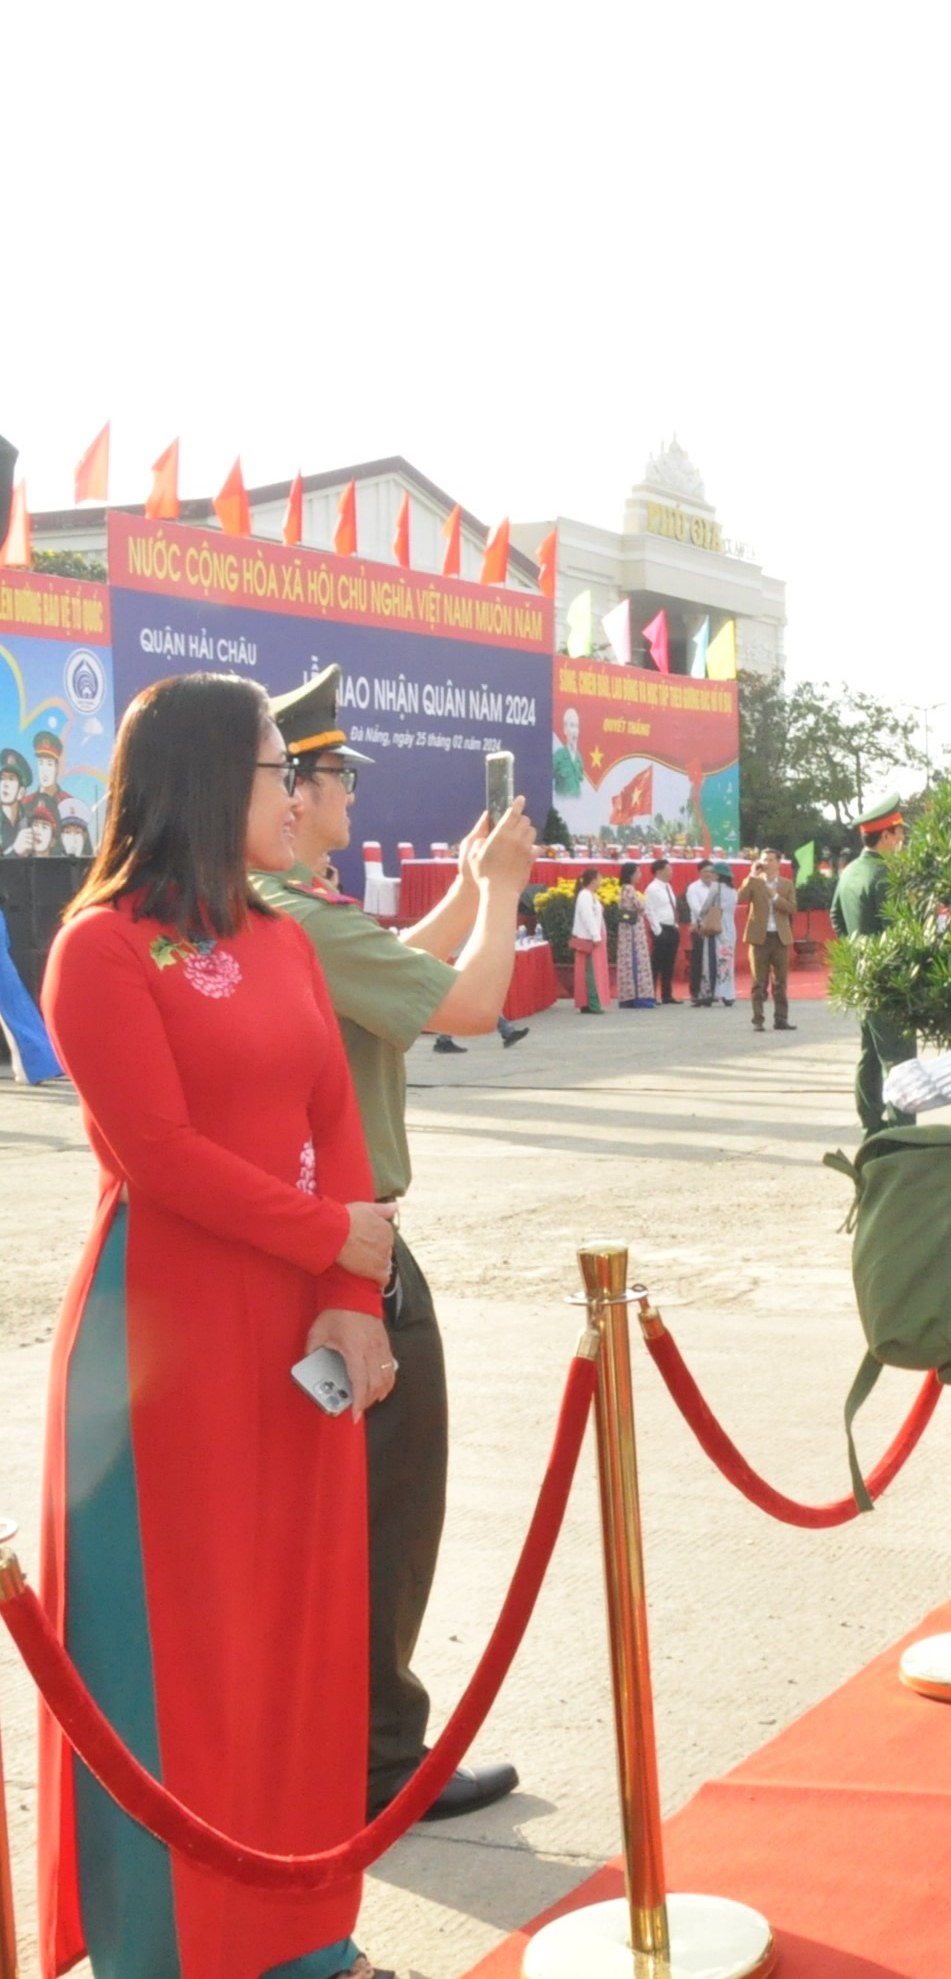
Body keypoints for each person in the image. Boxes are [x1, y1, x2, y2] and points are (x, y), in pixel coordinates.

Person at [37, 672, 399, 1979]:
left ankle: (305, 1933)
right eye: (274, 768)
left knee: (295, 1649)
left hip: (295, 1343)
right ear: (207, 780)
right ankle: (164, 1949)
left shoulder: (289, 938)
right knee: (176, 1665)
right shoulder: (102, 948)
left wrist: (352, 1299)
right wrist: (333, 1241)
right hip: (162, 1351)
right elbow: (162, 1155)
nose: (295, 792)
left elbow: (333, 1123)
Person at [248, 663, 530, 1826]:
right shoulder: (300, 917)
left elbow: (401, 964)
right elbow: (467, 1005)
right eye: (331, 780)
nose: (349, 801)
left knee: (336, 1508)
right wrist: (508, 896)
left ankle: (333, 1745)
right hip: (354, 1252)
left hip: (302, 1241)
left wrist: (468, 889)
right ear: (290, 794)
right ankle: (376, 1758)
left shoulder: (274, 917)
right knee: (388, 1508)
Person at [832, 796, 910, 1130]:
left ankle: (871, 1123)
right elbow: (901, 932)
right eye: (900, 833)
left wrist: (856, 950)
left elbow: (836, 916)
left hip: (862, 976)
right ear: (887, 837)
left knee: (870, 1052)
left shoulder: (850, 872)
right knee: (900, 1060)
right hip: (889, 980)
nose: (903, 839)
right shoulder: (884, 876)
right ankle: (903, 1130)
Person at [742, 850, 794, 1030]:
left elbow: (792, 908)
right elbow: (741, 897)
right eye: (764, 860)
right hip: (759, 938)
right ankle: (758, 1020)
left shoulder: (787, 885)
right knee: (758, 981)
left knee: (780, 982)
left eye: (771, 860)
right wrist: (752, 875)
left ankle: (781, 1019)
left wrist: (775, 897)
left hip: (780, 938)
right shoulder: (754, 882)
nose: (767, 863)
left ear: (779, 863)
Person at [612, 862, 651, 1007]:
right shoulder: (629, 889)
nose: (640, 875)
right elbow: (640, 906)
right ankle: (639, 995)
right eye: (638, 873)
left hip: (627, 928)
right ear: (631, 875)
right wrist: (643, 906)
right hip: (633, 929)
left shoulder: (623, 889)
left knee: (627, 959)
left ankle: (628, 996)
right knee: (636, 959)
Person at [641, 860, 680, 1005]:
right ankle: (650, 994)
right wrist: (657, 931)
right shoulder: (652, 889)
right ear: (658, 871)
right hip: (661, 928)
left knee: (669, 963)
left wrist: (675, 925)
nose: (671, 872)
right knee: (656, 963)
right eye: (668, 869)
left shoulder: (667, 886)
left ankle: (667, 994)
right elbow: (649, 910)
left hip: (672, 927)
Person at [570, 868, 607, 1011]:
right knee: (591, 971)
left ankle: (587, 1002)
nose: (601, 881)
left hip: (591, 937)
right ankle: (592, 1002)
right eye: (599, 878)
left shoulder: (590, 895)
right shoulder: (585, 895)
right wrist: (595, 935)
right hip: (588, 939)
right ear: (593, 880)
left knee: (588, 970)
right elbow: (587, 917)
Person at [686, 865, 720, 1006]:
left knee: (713, 960)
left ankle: (712, 991)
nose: (708, 874)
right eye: (705, 871)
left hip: (715, 928)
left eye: (711, 872)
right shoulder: (693, 888)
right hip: (700, 927)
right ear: (699, 873)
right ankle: (696, 992)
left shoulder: (717, 887)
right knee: (698, 961)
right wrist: (709, 918)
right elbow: (696, 908)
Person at [712, 863, 740, 1005]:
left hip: (717, 926)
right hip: (730, 927)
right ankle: (729, 993)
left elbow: (706, 908)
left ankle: (718, 991)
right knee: (728, 959)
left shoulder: (715, 889)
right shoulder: (733, 891)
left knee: (717, 959)